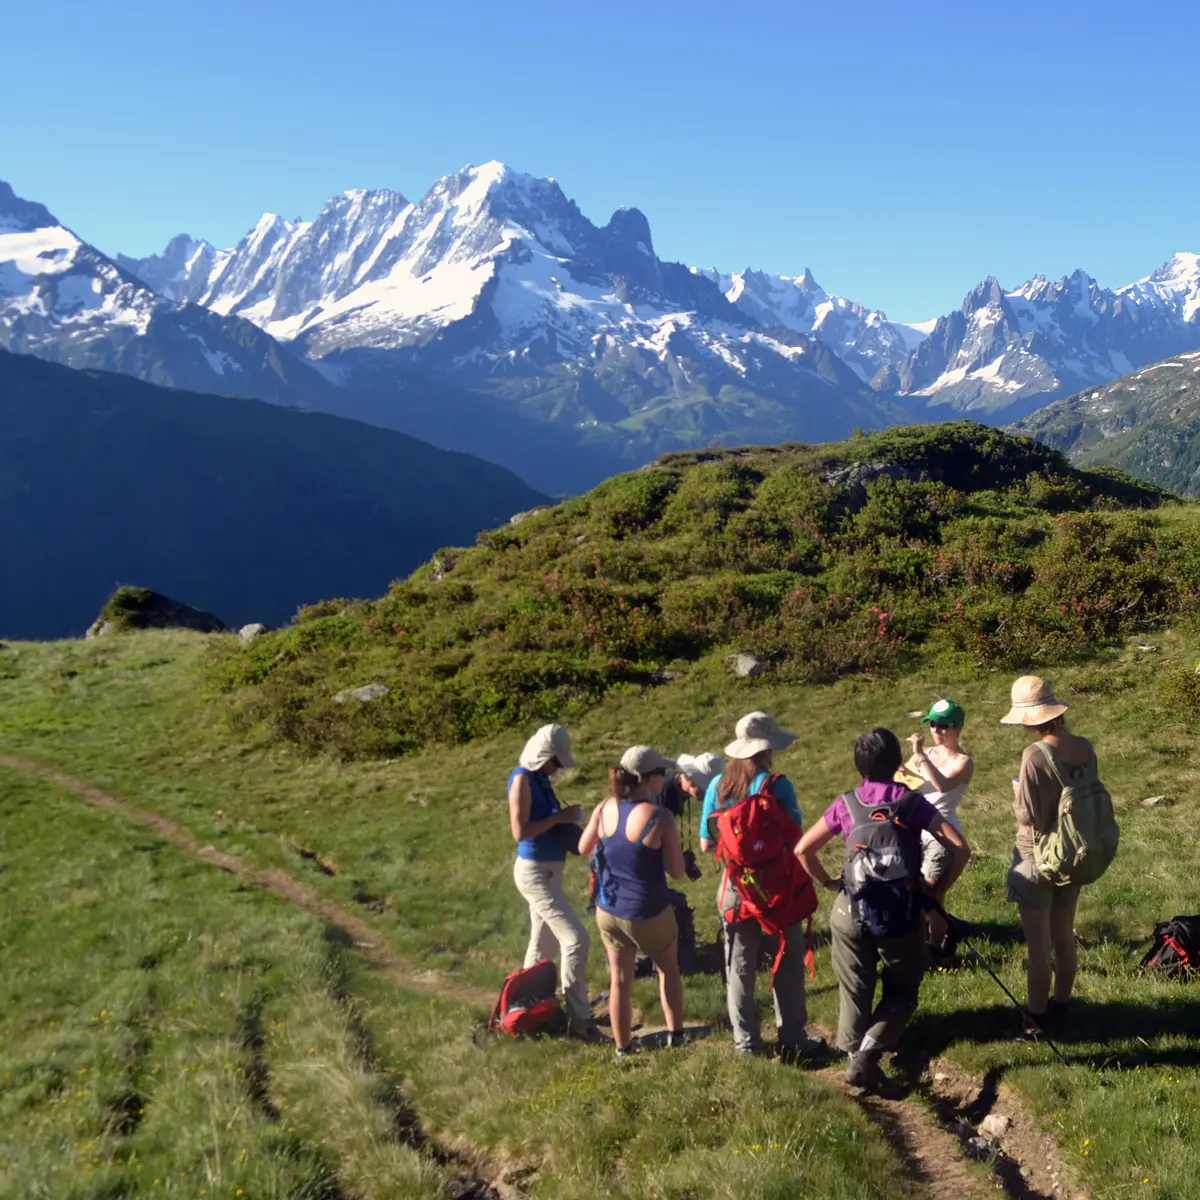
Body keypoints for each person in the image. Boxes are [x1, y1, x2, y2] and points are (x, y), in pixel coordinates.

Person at [796, 728, 970, 1095]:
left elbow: (803, 850)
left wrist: (830, 883)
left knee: (854, 989)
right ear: (896, 762)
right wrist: (937, 891)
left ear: (858, 765)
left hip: (850, 909)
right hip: (900, 913)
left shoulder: (846, 804)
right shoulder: (910, 803)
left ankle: (854, 1064)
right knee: (903, 990)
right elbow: (960, 848)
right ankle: (868, 1058)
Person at [699, 712, 825, 1060]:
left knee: (739, 966)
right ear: (767, 749)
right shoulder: (778, 786)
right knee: (786, 959)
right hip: (777, 890)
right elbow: (796, 838)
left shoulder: (717, 786)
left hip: (734, 888)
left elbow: (706, 844)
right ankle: (793, 1038)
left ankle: (747, 1044)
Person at [1001, 675, 1095, 1033]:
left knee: (1038, 946)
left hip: (1036, 855)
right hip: (1072, 852)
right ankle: (1062, 1003)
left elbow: (1026, 814)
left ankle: (1036, 1017)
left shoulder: (1034, 755)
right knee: (1064, 935)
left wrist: (1017, 793)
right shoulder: (1083, 746)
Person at [579, 745, 686, 1057]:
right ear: (649, 779)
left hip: (608, 909)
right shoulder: (660, 818)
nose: (665, 779)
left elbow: (584, 847)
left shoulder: (603, 808)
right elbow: (676, 871)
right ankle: (676, 1034)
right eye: (662, 773)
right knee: (668, 970)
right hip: (647, 911)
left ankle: (622, 1048)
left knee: (620, 981)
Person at [508, 723, 599, 1041]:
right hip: (534, 873)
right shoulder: (522, 779)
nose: (559, 768)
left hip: (548, 871)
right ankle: (579, 1021)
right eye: (557, 762)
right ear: (544, 757)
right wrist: (562, 817)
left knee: (542, 946)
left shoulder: (540, 780)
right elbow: (520, 832)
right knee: (576, 940)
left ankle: (526, 1014)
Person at [905, 698, 974, 958]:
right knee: (927, 895)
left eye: (943, 725)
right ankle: (934, 943)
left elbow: (942, 786)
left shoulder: (963, 761)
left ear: (958, 727)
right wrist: (898, 768)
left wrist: (921, 757)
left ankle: (936, 946)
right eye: (932, 724)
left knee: (929, 894)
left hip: (941, 835)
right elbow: (905, 781)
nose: (936, 730)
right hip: (915, 831)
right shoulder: (925, 754)